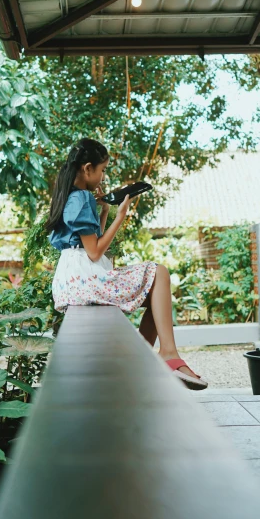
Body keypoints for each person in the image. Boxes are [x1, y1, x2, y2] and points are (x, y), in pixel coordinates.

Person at [46, 137, 208, 390]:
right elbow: (95, 252)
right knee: (159, 273)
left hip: (72, 279)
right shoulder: (81, 199)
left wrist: (105, 212)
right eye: (102, 170)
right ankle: (167, 354)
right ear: (87, 168)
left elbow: (91, 244)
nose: (102, 177)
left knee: (158, 295)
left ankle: (142, 360)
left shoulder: (70, 197)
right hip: (86, 279)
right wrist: (121, 215)